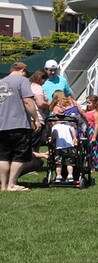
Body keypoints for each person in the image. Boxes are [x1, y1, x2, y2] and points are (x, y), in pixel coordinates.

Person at [0, 62, 41, 192]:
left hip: (2, 125)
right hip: (19, 124)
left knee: (3, 156)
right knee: (19, 155)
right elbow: (28, 101)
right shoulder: (22, 80)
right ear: (23, 70)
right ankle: (11, 184)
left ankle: (3, 185)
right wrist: (36, 119)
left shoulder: (1, 82)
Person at [28, 68, 50, 160]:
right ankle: (32, 165)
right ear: (41, 78)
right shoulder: (37, 87)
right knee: (35, 143)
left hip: (28, 118)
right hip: (37, 117)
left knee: (28, 142)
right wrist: (50, 104)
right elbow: (40, 103)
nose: (44, 82)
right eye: (44, 80)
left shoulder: (28, 85)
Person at [84, 95, 98, 170]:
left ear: (94, 104)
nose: (87, 105)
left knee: (94, 149)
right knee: (86, 149)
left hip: (92, 131)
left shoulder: (95, 113)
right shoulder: (86, 112)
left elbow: (97, 125)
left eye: (89, 103)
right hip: (86, 131)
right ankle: (87, 164)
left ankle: (94, 166)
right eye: (87, 103)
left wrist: (94, 136)